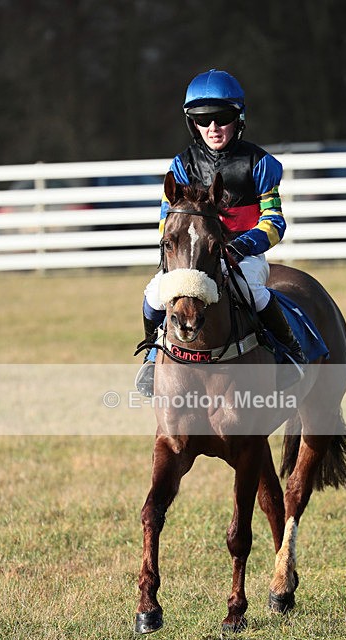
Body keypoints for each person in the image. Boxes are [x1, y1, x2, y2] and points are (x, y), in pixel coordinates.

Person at [135, 68, 306, 396]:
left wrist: (241, 246)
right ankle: (153, 354)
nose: (213, 128)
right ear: (192, 122)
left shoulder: (260, 163)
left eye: (222, 117)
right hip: (192, 259)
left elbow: (274, 222)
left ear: (238, 119)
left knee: (255, 293)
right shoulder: (181, 166)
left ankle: (289, 355)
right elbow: (165, 222)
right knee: (153, 295)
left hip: (244, 256)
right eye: (203, 119)